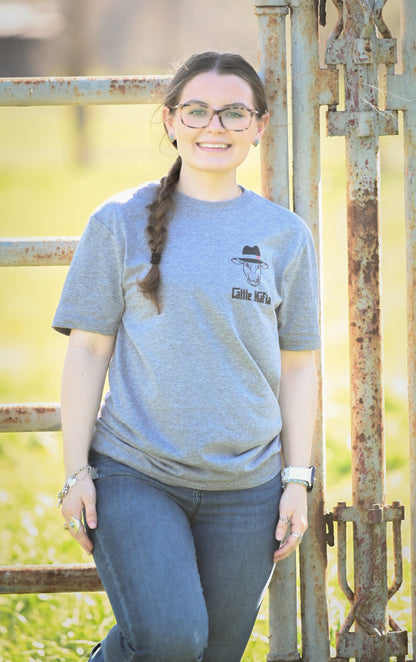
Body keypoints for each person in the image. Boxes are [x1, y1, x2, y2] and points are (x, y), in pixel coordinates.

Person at [53, 51, 320, 662]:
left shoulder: (285, 235)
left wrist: (295, 480)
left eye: (233, 113)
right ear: (171, 120)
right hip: (137, 472)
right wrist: (76, 473)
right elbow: (89, 350)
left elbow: (300, 365)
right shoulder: (118, 221)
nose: (214, 127)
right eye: (197, 110)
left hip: (248, 485)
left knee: (213, 654)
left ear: (259, 126)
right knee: (173, 640)